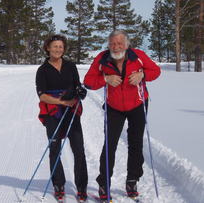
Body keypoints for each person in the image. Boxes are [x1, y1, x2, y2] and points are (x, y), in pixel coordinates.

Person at [83, 30, 161, 201]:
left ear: (126, 44)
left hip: (138, 104)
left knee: (135, 143)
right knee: (110, 145)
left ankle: (132, 180)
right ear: (108, 45)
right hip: (114, 107)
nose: (116, 46)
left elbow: (156, 71)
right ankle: (104, 184)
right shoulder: (102, 59)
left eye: (119, 43)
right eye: (112, 43)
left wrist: (143, 75)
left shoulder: (138, 56)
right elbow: (88, 81)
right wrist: (105, 79)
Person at [35, 34, 88, 202]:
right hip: (53, 112)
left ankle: (81, 187)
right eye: (55, 46)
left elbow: (77, 86)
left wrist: (81, 92)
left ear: (64, 49)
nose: (58, 49)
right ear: (48, 48)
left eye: (60, 47)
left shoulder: (70, 66)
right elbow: (42, 96)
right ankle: (58, 184)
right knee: (55, 149)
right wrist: (61, 102)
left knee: (78, 149)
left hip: (71, 111)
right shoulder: (42, 70)